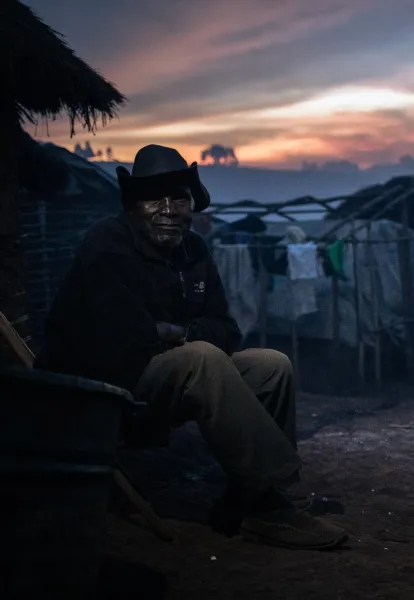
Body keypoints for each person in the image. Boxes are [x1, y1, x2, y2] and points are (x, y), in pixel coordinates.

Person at [35, 144, 348, 551]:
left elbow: (226, 329)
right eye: (153, 198)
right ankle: (274, 501)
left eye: (178, 197)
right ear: (133, 205)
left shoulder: (195, 251)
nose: (167, 208)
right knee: (202, 356)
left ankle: (248, 500)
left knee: (271, 363)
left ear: (190, 205)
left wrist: (172, 331)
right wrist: (183, 335)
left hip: (167, 375)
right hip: (102, 387)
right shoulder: (107, 243)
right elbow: (123, 335)